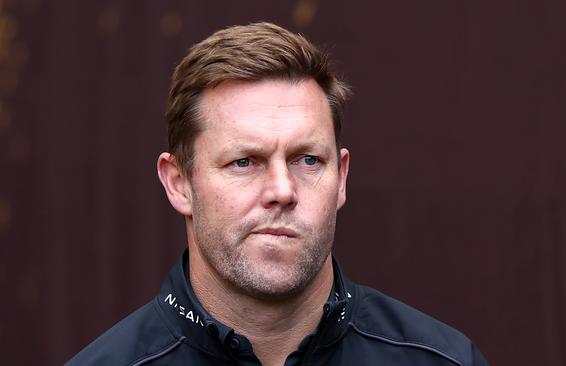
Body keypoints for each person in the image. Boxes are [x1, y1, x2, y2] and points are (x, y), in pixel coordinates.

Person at [67, 22, 489, 366]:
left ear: (341, 178)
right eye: (244, 162)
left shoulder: (445, 361)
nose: (283, 191)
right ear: (179, 184)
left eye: (307, 160)